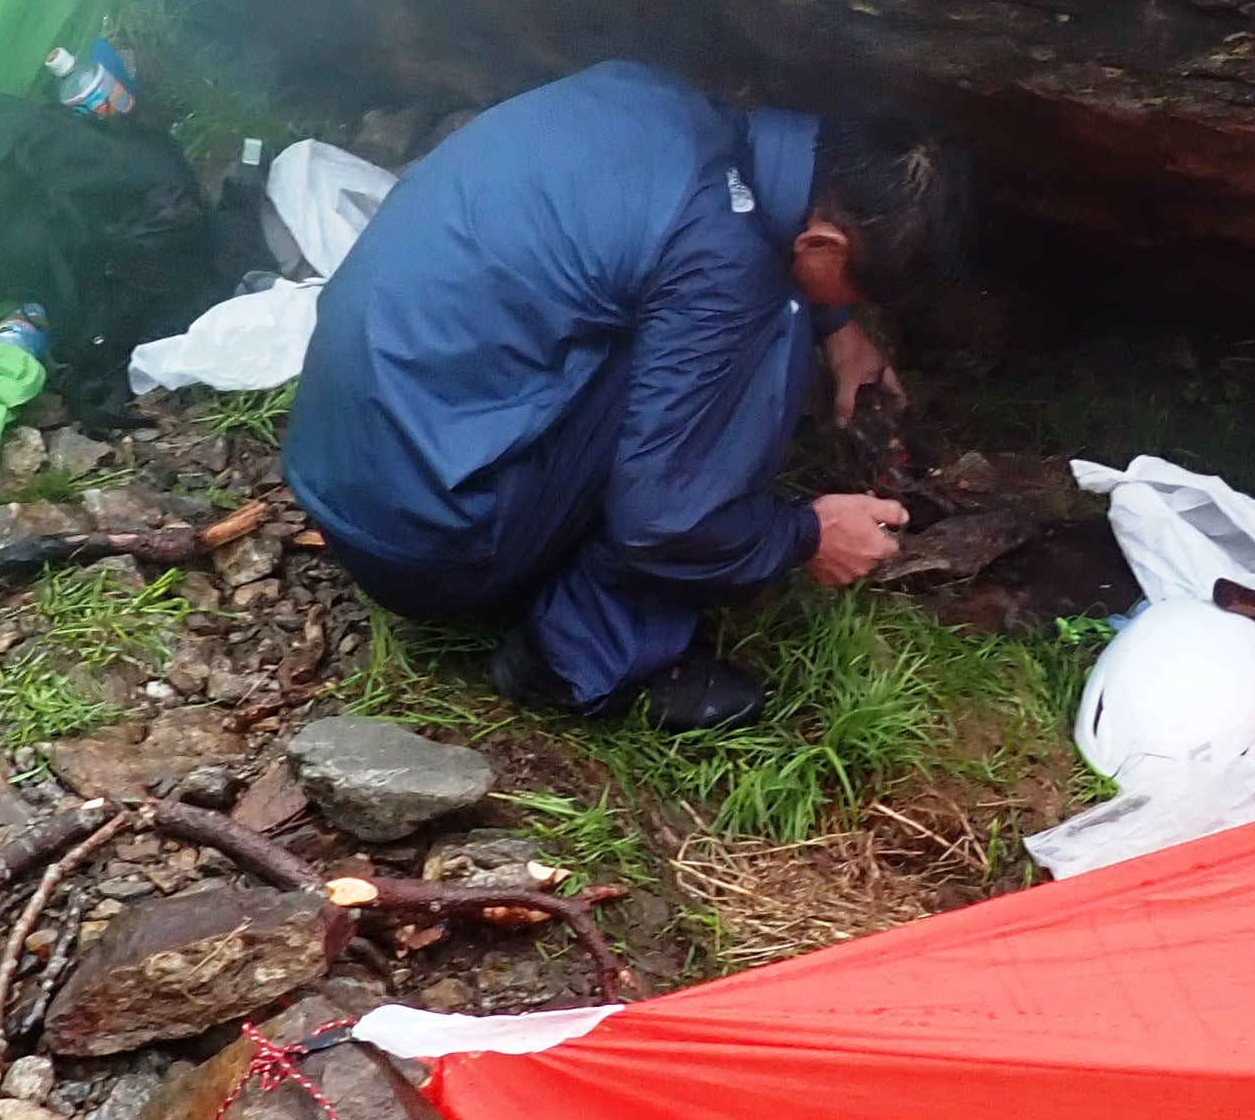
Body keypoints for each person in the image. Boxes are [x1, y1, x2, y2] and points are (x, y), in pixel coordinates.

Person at [285, 61, 970, 728]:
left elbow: (694, 252)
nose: (855, 305)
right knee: (769, 327)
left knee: (751, 309)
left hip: (345, 455)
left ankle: (556, 578)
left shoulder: (654, 101)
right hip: (428, 544)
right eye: (859, 290)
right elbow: (664, 518)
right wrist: (806, 534)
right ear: (821, 242)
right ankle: (583, 655)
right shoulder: (726, 266)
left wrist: (840, 325)